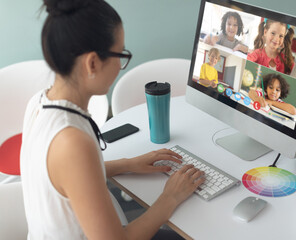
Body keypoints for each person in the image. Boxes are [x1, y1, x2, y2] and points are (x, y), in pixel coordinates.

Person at [20, 0, 205, 239]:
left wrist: (128, 163)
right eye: (120, 55)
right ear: (93, 63)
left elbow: (69, 177)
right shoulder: (72, 141)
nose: (120, 66)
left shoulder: (38, 103)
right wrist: (170, 197)